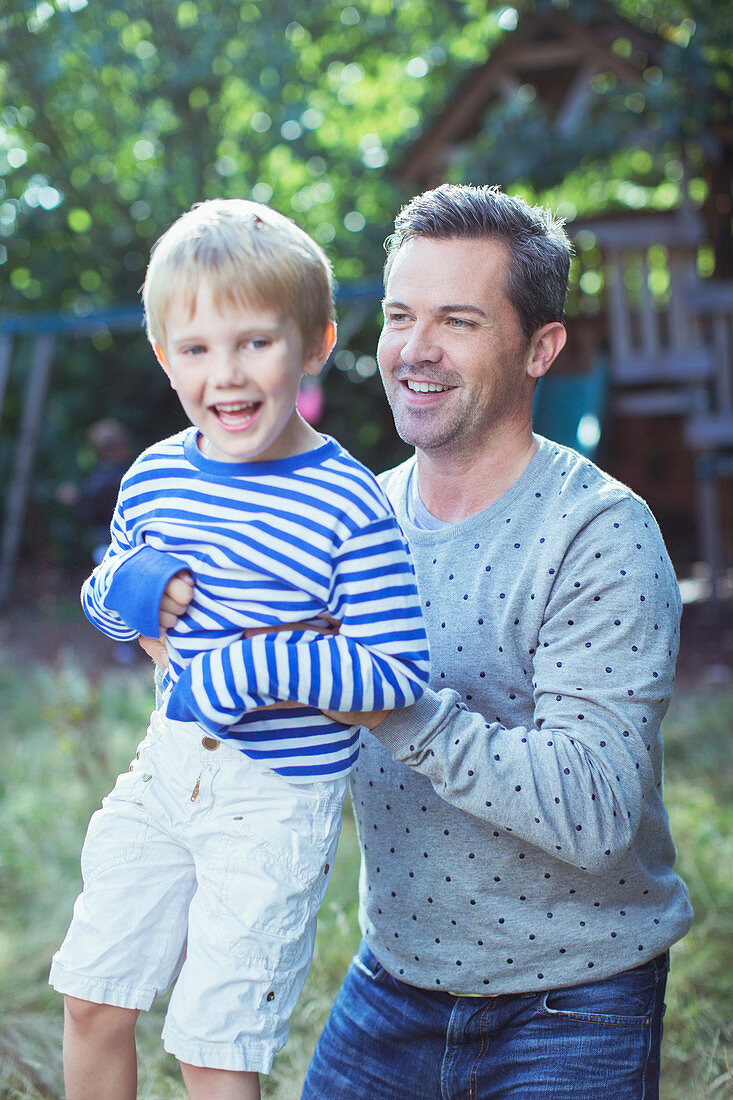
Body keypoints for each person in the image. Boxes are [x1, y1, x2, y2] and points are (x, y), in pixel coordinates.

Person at [301, 183, 693, 1100]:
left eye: (458, 320)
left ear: (539, 347)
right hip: (393, 981)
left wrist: (396, 709)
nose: (413, 350)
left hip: (574, 1000)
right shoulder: (351, 521)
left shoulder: (599, 532)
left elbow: (597, 816)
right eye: (399, 315)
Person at [49, 198, 430, 1100]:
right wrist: (134, 589)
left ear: (314, 344)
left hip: (272, 804)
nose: (225, 374)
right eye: (196, 349)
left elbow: (396, 670)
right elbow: (106, 600)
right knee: (91, 996)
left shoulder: (345, 501)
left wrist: (248, 667)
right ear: (164, 356)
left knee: (212, 1046)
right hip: (165, 772)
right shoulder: (155, 474)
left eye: (254, 343)